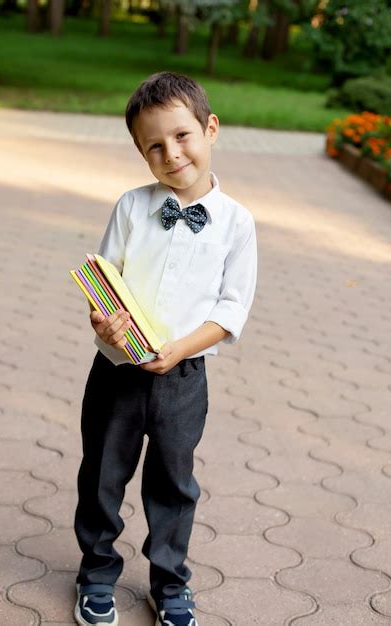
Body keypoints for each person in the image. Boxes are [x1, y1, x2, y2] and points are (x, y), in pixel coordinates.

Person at [74, 71, 257, 626]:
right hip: (117, 374)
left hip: (183, 380)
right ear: (140, 152)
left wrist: (179, 349)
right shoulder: (131, 207)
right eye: (154, 146)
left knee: (174, 483)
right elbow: (102, 284)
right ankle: (97, 572)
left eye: (182, 136)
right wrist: (105, 325)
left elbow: (230, 311)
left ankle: (170, 582)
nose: (171, 153)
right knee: (103, 475)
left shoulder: (236, 223)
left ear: (210, 128)